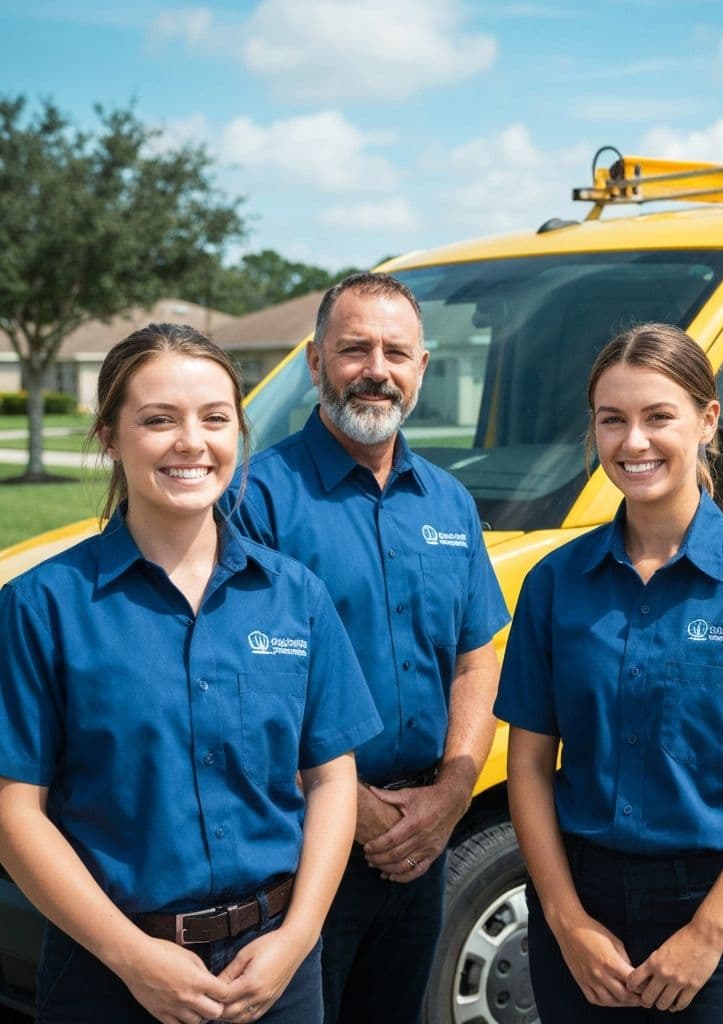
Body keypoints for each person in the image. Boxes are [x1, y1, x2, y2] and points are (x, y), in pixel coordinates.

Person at [0, 323, 382, 1024]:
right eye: (157, 420)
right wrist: (130, 956)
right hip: (106, 977)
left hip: (274, 974)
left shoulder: (298, 597)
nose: (191, 442)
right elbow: (13, 811)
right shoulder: (38, 607)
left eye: (215, 418)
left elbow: (331, 779)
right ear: (110, 435)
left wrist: (296, 940)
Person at [494, 323, 723, 1022]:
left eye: (658, 416)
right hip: (583, 912)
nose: (633, 442)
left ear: (707, 421)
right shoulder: (554, 582)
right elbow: (531, 767)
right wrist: (567, 922)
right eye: (613, 421)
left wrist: (707, 933)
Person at [226, 272, 510, 1024]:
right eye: (354, 349)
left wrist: (452, 795)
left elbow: (476, 659)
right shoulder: (254, 499)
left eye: (395, 351)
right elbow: (243, 688)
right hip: (297, 842)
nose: (375, 369)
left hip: (423, 837)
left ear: (421, 367)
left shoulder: (449, 501)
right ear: (316, 363)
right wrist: (358, 811)